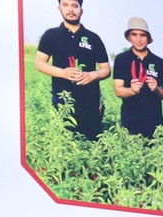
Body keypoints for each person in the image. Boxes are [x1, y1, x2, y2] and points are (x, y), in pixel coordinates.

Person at [33, 0, 110, 140]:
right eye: (66, 5)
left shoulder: (93, 38)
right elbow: (39, 63)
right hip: (63, 101)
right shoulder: (51, 35)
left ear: (81, 10)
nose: (70, 10)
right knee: (65, 144)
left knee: (91, 145)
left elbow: (106, 69)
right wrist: (62, 73)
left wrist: (93, 75)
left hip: (90, 103)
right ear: (59, 8)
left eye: (75, 6)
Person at [112, 17, 163, 138]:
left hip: (155, 125)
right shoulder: (122, 59)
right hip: (130, 123)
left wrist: (158, 90)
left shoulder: (158, 62)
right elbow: (118, 90)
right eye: (134, 35)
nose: (139, 39)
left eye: (143, 35)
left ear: (148, 38)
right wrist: (131, 90)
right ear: (129, 37)